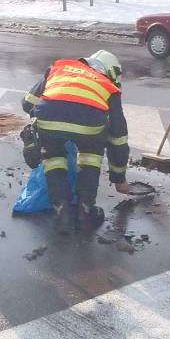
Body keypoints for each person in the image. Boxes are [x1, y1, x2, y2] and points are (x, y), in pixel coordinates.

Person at [22, 51, 131, 234]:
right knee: (91, 155)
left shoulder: (58, 68)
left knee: (53, 157)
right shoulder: (109, 87)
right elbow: (118, 137)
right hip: (90, 127)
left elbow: (27, 103)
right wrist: (118, 178)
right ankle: (86, 211)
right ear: (109, 72)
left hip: (49, 120)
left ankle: (61, 212)